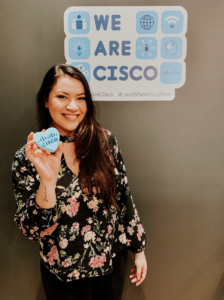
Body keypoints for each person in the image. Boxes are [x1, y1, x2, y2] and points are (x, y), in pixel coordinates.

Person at [12, 64, 147, 300]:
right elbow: (34, 230)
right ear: (46, 100)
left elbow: (123, 196)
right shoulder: (28, 157)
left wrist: (138, 249)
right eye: (62, 96)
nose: (73, 106)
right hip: (63, 273)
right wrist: (47, 181)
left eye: (81, 98)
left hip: (110, 264)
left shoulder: (105, 142)